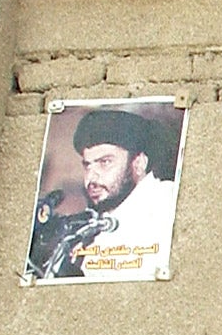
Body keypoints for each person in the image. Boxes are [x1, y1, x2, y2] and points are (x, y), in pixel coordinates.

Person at [28, 108, 179, 279]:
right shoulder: (92, 225)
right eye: (87, 165)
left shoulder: (169, 201)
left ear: (139, 163)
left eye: (105, 162)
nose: (90, 178)